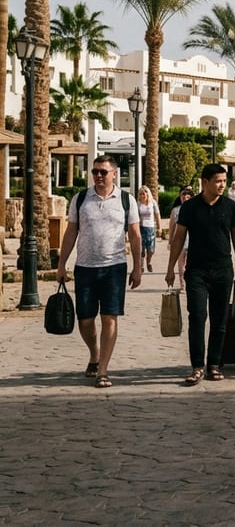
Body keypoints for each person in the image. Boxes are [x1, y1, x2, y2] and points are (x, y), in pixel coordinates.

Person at [55, 155, 142, 388]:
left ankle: (103, 369)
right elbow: (71, 232)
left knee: (109, 317)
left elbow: (134, 235)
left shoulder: (126, 200)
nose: (99, 176)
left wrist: (138, 268)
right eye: (95, 172)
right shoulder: (81, 198)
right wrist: (62, 264)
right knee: (84, 319)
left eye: (103, 172)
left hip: (114, 267)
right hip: (85, 267)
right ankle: (94, 353)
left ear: (114, 173)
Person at [165, 164, 235, 386]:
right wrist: (171, 267)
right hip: (196, 271)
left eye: (224, 180)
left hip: (223, 269)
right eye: (218, 181)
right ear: (204, 182)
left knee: (220, 320)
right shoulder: (190, 207)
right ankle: (197, 366)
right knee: (198, 317)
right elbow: (179, 238)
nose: (222, 185)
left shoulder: (231, 207)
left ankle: (214, 364)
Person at [168, 187, 195, 280]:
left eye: (188, 197)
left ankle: (190, 282)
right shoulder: (175, 210)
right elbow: (172, 227)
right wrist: (170, 241)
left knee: (191, 264)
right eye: (183, 197)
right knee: (181, 263)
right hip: (180, 241)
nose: (185, 199)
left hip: (193, 241)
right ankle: (182, 283)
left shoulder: (196, 210)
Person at [136, 186, 160, 273]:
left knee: (151, 249)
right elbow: (135, 216)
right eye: (141, 193)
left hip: (151, 228)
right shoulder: (138, 204)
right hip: (141, 228)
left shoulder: (152, 203)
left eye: (144, 193)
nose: (143, 195)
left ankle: (148, 261)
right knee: (141, 248)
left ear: (147, 193)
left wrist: (159, 227)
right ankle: (141, 266)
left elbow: (157, 215)